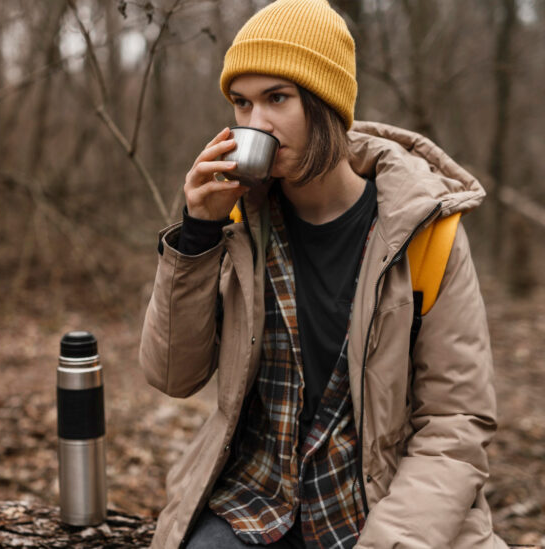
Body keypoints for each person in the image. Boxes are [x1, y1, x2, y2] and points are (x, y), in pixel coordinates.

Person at [140, 0, 507, 548]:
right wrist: (196, 237)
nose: (254, 122)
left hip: (381, 503)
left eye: (277, 98)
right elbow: (172, 375)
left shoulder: (427, 232)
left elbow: (455, 425)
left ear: (327, 104)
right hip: (256, 500)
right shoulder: (236, 219)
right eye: (242, 102)